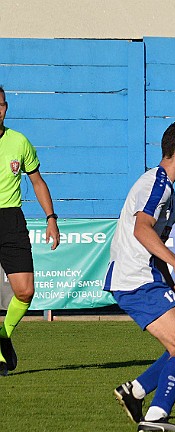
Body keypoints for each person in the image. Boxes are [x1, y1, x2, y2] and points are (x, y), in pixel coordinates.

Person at [104, 119, 175, 432]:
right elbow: (142, 229)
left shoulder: (169, 193)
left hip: (150, 277)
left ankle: (135, 391)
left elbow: (153, 244)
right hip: (135, 279)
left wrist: (172, 287)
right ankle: (155, 418)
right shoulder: (158, 184)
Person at [0, 85, 60, 376]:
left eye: (0, 105)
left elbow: (37, 181)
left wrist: (51, 218)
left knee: (25, 292)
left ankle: (3, 335)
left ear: (6, 107)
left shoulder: (19, 141)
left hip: (11, 221)